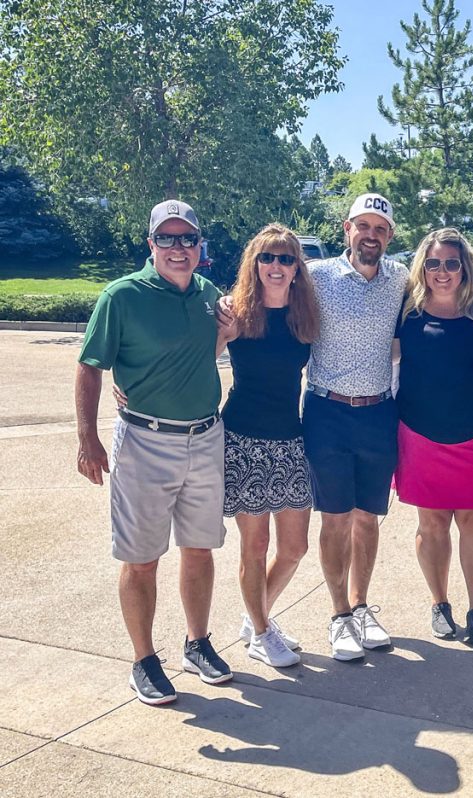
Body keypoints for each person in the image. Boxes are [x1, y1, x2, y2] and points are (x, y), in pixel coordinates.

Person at [76, 200, 232, 706]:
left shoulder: (209, 295)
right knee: (142, 559)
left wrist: (225, 333)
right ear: (151, 244)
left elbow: (198, 354)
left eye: (187, 238)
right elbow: (89, 366)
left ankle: (198, 642)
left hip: (205, 438)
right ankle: (144, 660)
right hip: (145, 442)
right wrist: (88, 438)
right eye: (167, 238)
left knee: (200, 549)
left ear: (198, 245)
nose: (178, 248)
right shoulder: (121, 296)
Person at [302, 193, 408, 661]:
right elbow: (265, 294)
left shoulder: (401, 277)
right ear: (347, 229)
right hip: (327, 411)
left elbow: (452, 287)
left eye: (380, 228)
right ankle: (339, 615)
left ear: (389, 236)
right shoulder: (318, 276)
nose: (371, 235)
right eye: (363, 226)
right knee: (336, 518)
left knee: (368, 517)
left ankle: (362, 607)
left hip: (378, 411)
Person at [219, 224, 320, 668]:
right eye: (268, 258)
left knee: (294, 547)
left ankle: (254, 615)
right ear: (254, 264)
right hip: (242, 440)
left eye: (286, 259)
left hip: (289, 440)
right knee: (254, 547)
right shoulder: (235, 313)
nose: (276, 266)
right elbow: (194, 358)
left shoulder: (305, 317)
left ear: (297, 268)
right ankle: (261, 633)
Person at [393, 228, 473, 644]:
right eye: (434, 263)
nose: (442, 271)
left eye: (451, 263)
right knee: (432, 523)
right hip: (419, 433)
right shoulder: (407, 312)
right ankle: (440, 604)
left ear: (465, 268)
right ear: (423, 267)